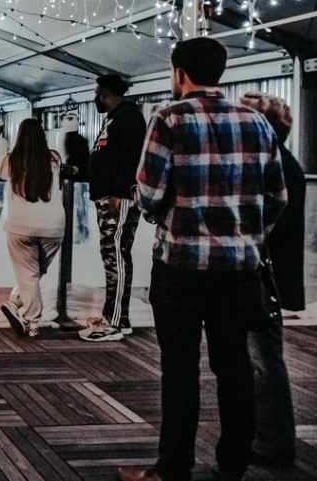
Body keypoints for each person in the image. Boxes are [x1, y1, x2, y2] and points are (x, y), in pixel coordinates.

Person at [117, 38, 287, 481]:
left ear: (178, 73)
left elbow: (150, 197)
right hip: (239, 270)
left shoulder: (168, 118)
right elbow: (277, 197)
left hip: (180, 268)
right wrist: (245, 235)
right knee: (234, 368)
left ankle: (173, 468)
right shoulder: (256, 121)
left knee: (180, 370)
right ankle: (233, 466)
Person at [239, 92, 304, 468]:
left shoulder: (270, 164)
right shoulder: (283, 161)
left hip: (262, 276)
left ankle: (273, 441)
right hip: (271, 274)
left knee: (262, 359)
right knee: (259, 358)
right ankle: (266, 436)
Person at [80, 73, 147, 342]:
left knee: (117, 256)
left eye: (98, 92)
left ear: (106, 93)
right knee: (112, 256)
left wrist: (120, 193)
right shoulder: (116, 118)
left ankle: (117, 321)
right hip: (109, 198)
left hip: (118, 199)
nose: (95, 97)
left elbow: (133, 157)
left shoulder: (129, 118)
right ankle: (113, 316)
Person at [0, 119, 64, 338]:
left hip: (21, 226)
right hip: (53, 227)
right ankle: (15, 303)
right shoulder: (54, 159)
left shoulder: (11, 160)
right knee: (34, 273)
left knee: (29, 275)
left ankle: (31, 321)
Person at [61, 115, 91, 243]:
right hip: (83, 178)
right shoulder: (82, 140)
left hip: (76, 179)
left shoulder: (70, 140)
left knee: (77, 205)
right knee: (81, 205)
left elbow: (72, 160)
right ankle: (82, 230)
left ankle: (79, 231)